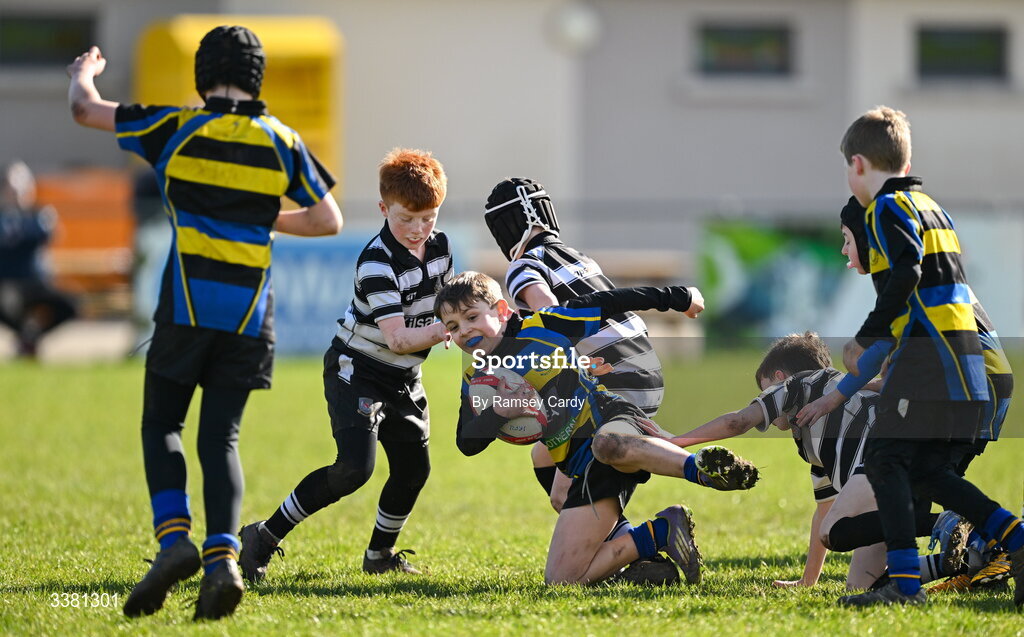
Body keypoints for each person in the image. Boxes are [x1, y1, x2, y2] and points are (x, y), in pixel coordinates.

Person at [66, 26, 343, 620]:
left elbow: (85, 111)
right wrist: (267, 222)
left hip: (185, 310)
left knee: (162, 424)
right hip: (248, 316)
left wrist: (82, 72)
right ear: (257, 76)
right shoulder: (282, 140)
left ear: (201, 73)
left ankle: (173, 543)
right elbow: (327, 220)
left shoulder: (174, 126)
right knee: (221, 437)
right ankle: (222, 559)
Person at [436, 271, 758, 585]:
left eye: (471, 317)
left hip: (609, 416)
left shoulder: (543, 325)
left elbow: (608, 302)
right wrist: (500, 412)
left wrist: (677, 297)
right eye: (453, 326)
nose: (464, 330)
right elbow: (467, 442)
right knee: (562, 578)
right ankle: (658, 534)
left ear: (502, 311)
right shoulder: (475, 380)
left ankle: (702, 470)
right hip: (577, 462)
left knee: (606, 445)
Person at [830, 105, 1023, 607]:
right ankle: (1018, 537)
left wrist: (870, 335)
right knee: (928, 471)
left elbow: (908, 272)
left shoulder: (885, 208)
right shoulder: (934, 206)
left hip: (928, 353)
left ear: (857, 165)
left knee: (884, 457)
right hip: (963, 354)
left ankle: (905, 585)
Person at [239, 148, 452, 583]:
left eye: (428, 217)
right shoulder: (376, 260)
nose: (417, 230)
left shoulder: (442, 248)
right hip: (357, 368)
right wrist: (454, 328)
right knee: (355, 468)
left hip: (404, 376)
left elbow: (450, 304)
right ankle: (262, 535)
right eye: (405, 218)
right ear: (383, 209)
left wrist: (486, 313)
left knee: (415, 469)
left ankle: (380, 555)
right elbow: (399, 337)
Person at [483, 177, 703, 584]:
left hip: (610, 383)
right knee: (546, 461)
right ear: (541, 213)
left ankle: (653, 534)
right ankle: (622, 550)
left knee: (562, 552)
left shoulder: (522, 267)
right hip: (644, 371)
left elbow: (553, 322)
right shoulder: (576, 256)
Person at [792, 197, 1015, 593]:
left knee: (912, 478)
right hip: (981, 382)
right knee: (869, 571)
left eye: (847, 239)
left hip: (968, 384)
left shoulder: (901, 273)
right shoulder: (917, 267)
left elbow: (878, 350)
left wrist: (836, 395)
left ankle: (999, 537)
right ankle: (970, 553)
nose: (844, 249)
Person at [0, 160, 78, 358]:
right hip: (7, 282)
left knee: (70, 305)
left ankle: (30, 337)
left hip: (35, 283)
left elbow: (46, 234)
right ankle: (26, 336)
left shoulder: (38, 214)